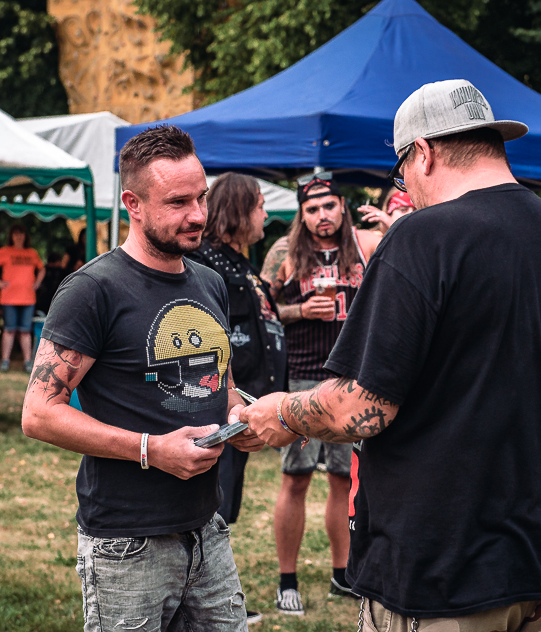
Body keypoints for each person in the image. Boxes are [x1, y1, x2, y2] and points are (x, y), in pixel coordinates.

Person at [239, 79, 541, 631]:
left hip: (445, 567)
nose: (404, 186)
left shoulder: (421, 237)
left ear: (423, 153)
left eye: (400, 170)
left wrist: (283, 412)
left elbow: (362, 406)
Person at [21, 124, 261, 632]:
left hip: (207, 531)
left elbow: (221, 381)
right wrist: (151, 449)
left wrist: (242, 415)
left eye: (201, 197)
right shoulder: (92, 289)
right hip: (127, 544)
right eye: (178, 202)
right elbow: (39, 414)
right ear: (132, 203)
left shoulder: (210, 282)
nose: (198, 215)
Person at [259, 170, 380, 614]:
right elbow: (261, 310)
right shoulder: (284, 251)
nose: (322, 215)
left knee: (343, 480)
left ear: (342, 207)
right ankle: (286, 580)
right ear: (302, 214)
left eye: (329, 206)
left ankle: (342, 573)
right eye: (312, 209)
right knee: (296, 478)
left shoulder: (365, 245)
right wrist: (300, 310)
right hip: (304, 376)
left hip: (353, 378)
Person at [187, 173, 287, 527]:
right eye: (260, 206)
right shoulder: (203, 263)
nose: (265, 215)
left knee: (225, 511)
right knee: (212, 511)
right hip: (217, 408)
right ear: (239, 209)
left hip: (242, 407)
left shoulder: (241, 263)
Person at [0, 224, 45, 372]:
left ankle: (28, 362)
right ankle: (5, 361)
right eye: (15, 233)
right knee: (9, 330)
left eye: (21, 233)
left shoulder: (32, 253)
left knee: (25, 331)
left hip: (28, 298)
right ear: (11, 236)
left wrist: (37, 283)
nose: (18, 236)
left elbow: (42, 268)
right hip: (9, 297)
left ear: (25, 236)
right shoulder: (5, 251)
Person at [33, 251, 70, 316]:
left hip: (42, 301)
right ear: (57, 261)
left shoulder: (43, 271)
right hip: (55, 300)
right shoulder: (60, 271)